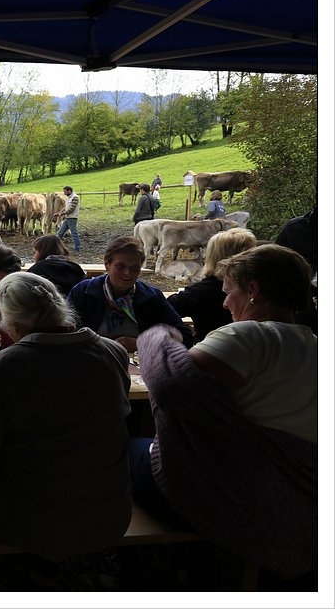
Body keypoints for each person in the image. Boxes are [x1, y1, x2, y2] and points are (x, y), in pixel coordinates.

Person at [131, 245, 317, 578]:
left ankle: (152, 561)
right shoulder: (314, 345)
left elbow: (172, 384)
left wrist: (158, 336)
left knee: (128, 447)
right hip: (298, 502)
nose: (224, 303)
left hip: (237, 498)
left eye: (229, 292)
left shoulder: (249, 335)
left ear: (253, 290)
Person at [0, 272, 132, 561]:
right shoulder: (113, 352)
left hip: (31, 525)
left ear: (13, 323)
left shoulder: (6, 365)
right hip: (110, 518)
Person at [67, 236, 193, 351]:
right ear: (107, 265)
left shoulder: (151, 297)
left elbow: (185, 337)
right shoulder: (84, 292)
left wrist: (143, 344)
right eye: (120, 267)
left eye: (135, 268)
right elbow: (66, 334)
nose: (127, 273)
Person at [167, 227, 257, 342]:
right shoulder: (260, 288)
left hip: (209, 348)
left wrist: (185, 335)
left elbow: (163, 310)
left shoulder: (200, 292)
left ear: (212, 256)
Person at [52, 185, 81, 253]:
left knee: (74, 233)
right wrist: (59, 213)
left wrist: (61, 214)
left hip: (72, 218)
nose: (64, 193)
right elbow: (66, 208)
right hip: (68, 218)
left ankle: (77, 248)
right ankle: (58, 248)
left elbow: (71, 209)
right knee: (60, 233)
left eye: (65, 192)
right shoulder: (69, 198)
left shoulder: (75, 198)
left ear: (69, 191)